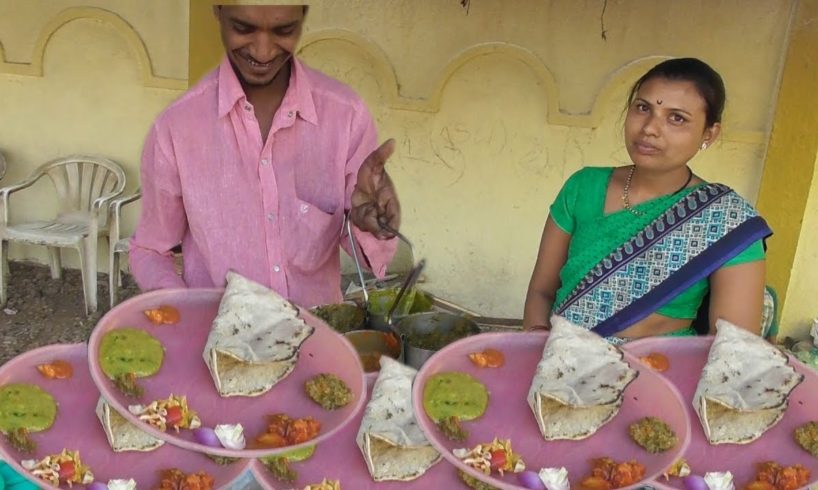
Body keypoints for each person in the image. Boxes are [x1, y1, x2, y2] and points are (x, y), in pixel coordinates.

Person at [129, 4, 399, 307]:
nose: (263, 51)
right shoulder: (176, 128)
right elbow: (151, 250)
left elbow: (367, 249)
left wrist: (369, 225)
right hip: (216, 344)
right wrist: (183, 313)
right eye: (243, 28)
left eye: (283, 30)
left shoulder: (345, 116)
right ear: (218, 11)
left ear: (302, 15)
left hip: (316, 344)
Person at [523, 58, 771, 341]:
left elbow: (733, 350)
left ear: (708, 134)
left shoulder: (726, 219)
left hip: (660, 375)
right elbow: (541, 292)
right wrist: (539, 346)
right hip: (560, 369)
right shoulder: (584, 187)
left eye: (676, 118)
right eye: (643, 108)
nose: (650, 128)